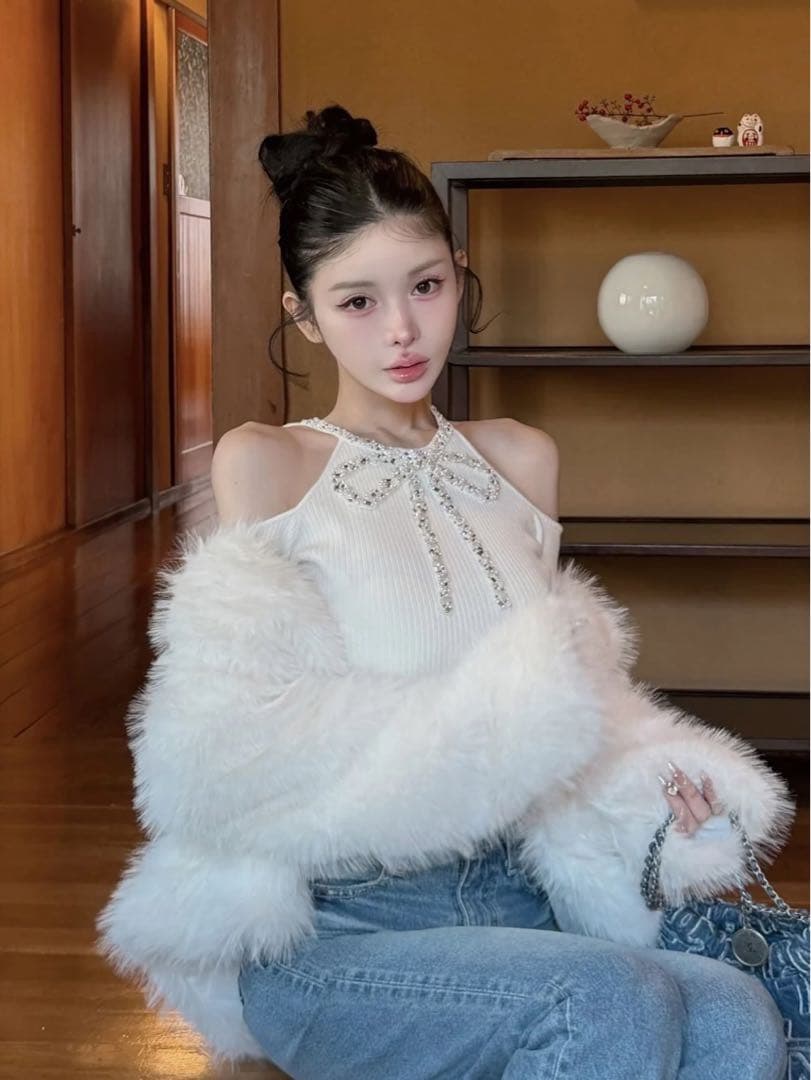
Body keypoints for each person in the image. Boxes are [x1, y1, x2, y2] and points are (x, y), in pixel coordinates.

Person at [97, 105, 792, 1079]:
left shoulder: (520, 459)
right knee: (608, 1000)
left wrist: (651, 778)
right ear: (302, 314)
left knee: (736, 1016)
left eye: (425, 286)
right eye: (357, 301)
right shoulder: (270, 464)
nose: (401, 330)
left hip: (514, 897)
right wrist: (470, 747)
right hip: (340, 927)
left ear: (459, 275)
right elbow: (227, 750)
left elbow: (564, 704)